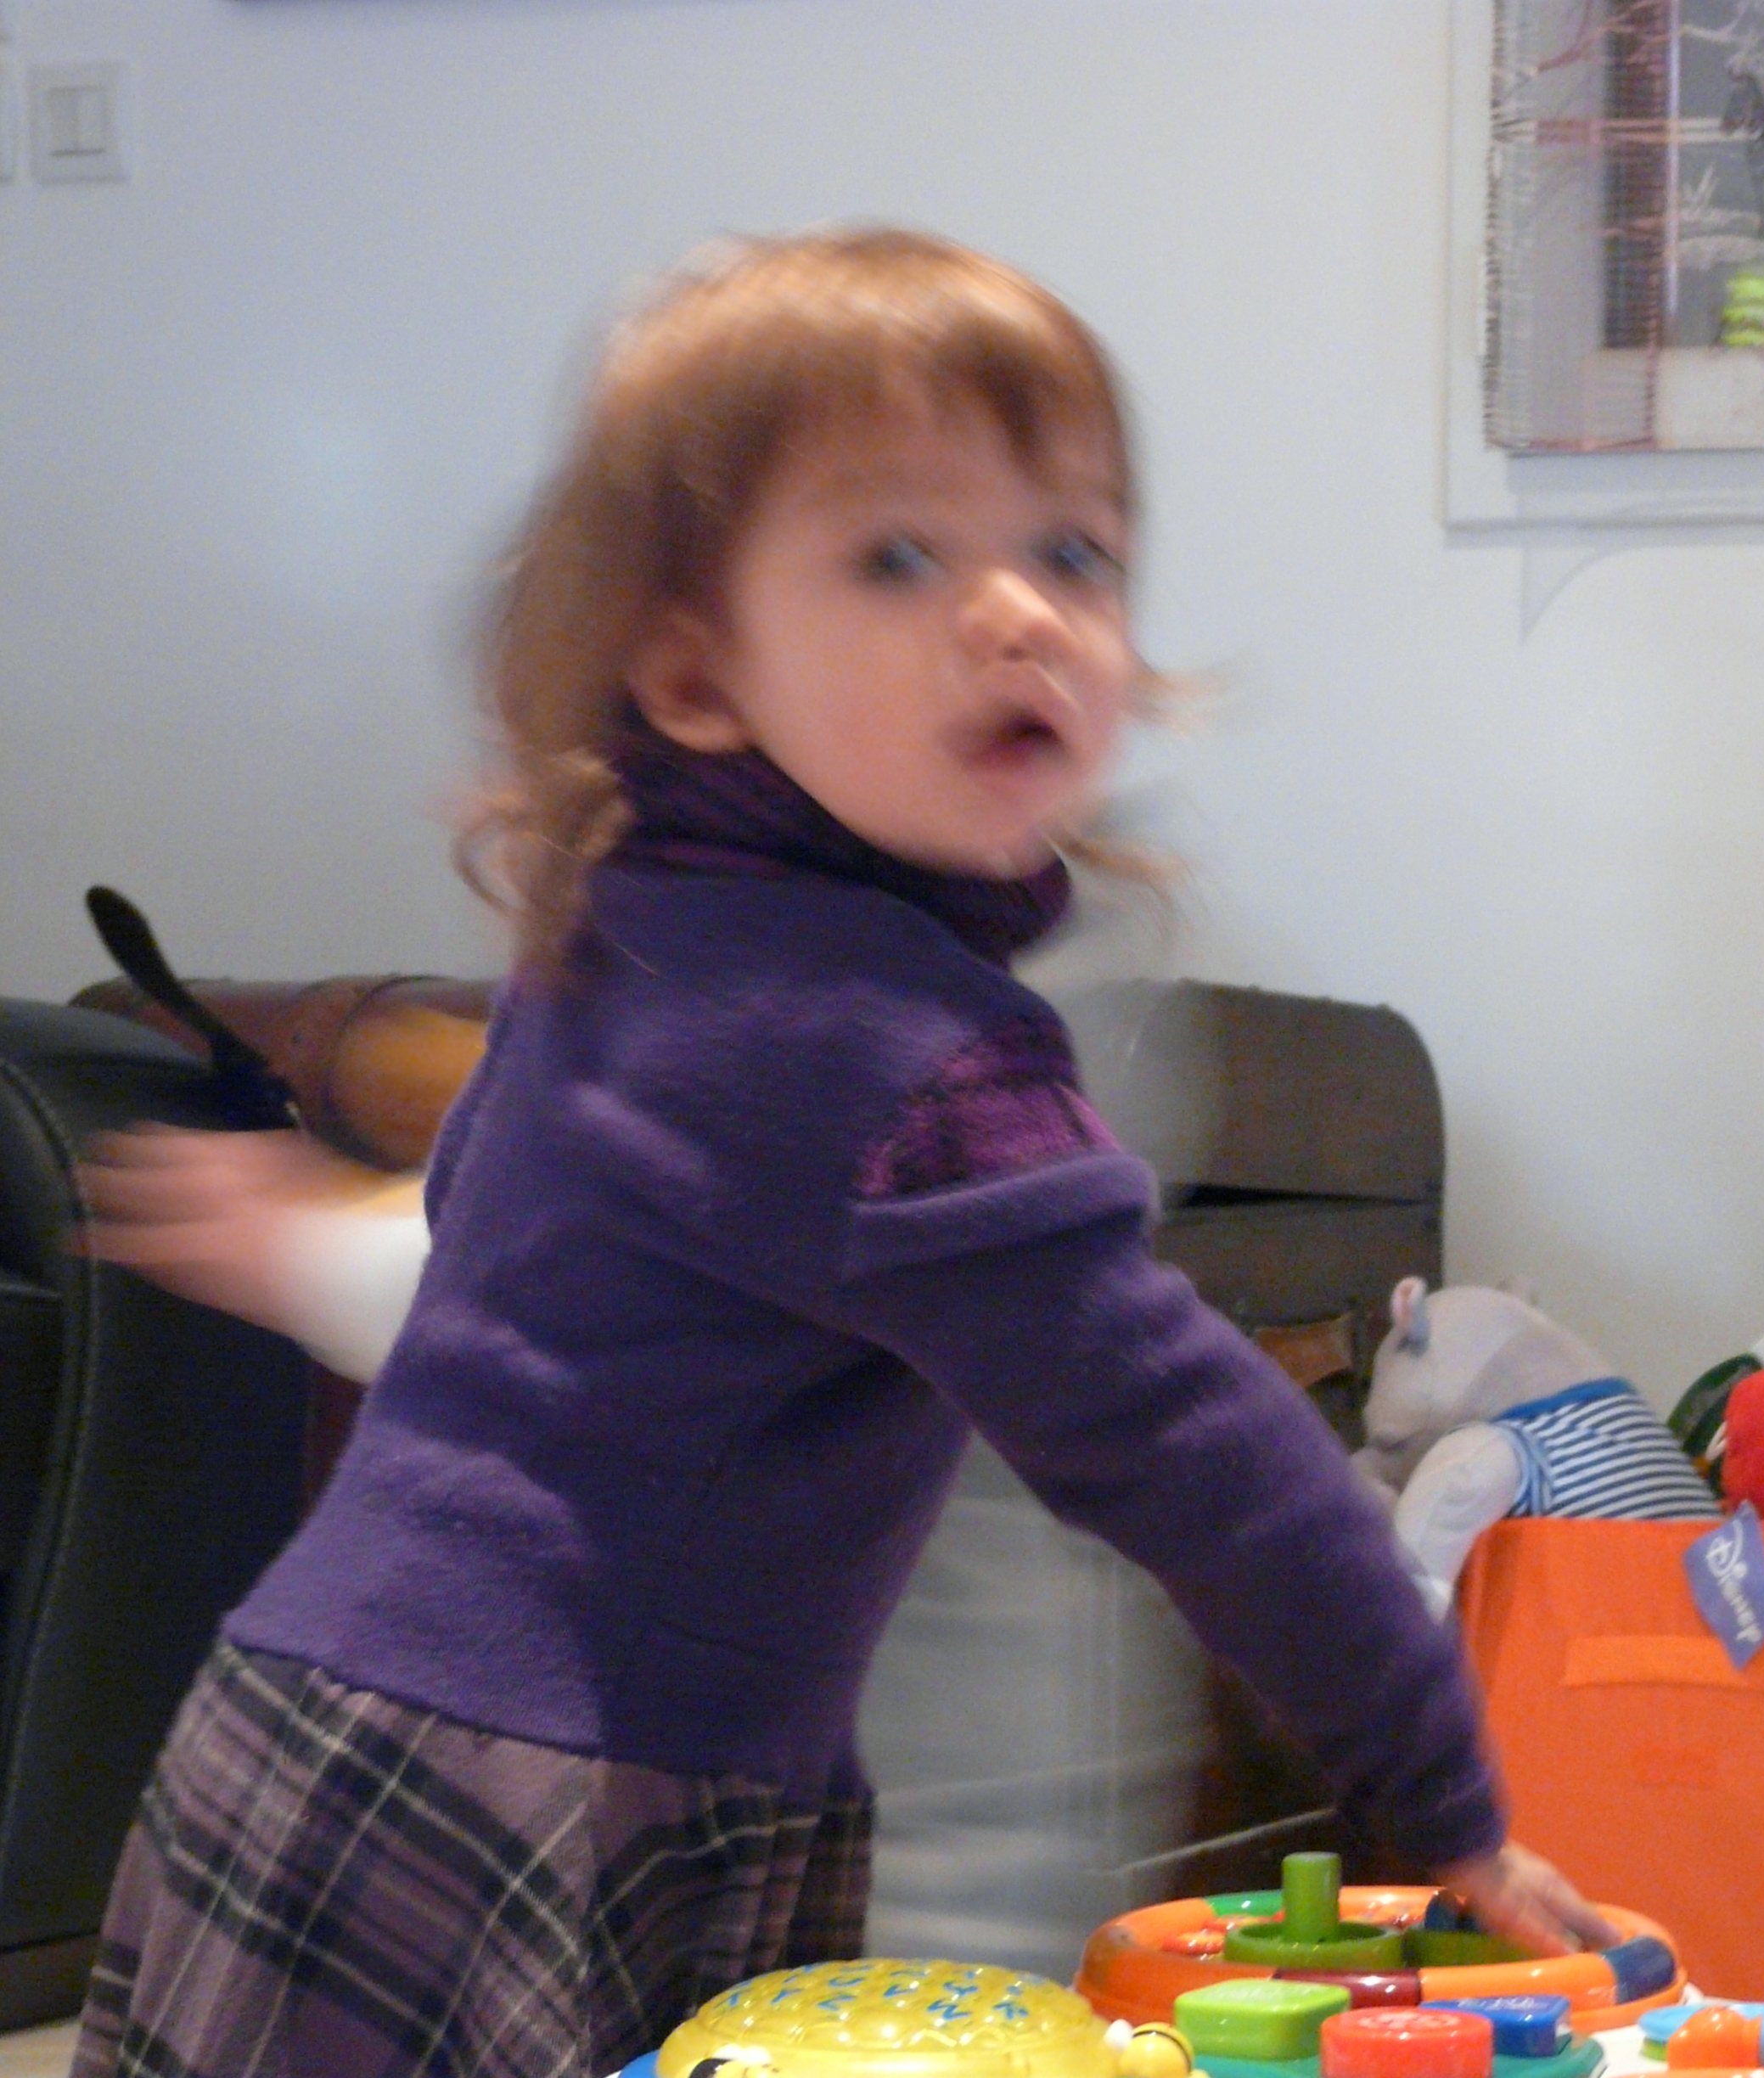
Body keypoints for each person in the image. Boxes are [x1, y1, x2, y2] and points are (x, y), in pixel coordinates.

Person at [72, 228, 1608, 2078]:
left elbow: (496, 1255)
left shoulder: (628, 918)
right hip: (558, 1793)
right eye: (899, 557)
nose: (1019, 613)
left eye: (1075, 553)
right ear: (697, 675)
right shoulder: (908, 1061)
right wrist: (1439, 1800)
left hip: (323, 1712)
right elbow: (1211, 1462)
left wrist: (313, 1253)